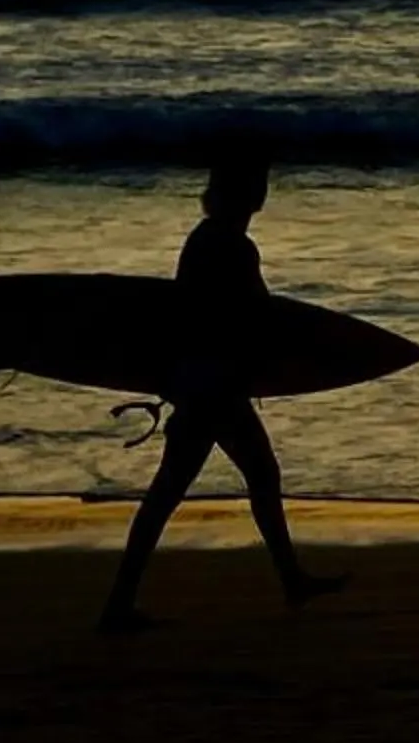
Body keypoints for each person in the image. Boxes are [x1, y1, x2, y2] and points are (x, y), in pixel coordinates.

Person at [99, 150, 346, 634]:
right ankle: (117, 606)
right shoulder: (231, 245)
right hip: (214, 384)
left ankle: (290, 580)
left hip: (203, 379)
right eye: (257, 182)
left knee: (242, 476)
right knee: (180, 489)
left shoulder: (208, 238)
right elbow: (255, 313)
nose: (263, 191)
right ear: (240, 191)